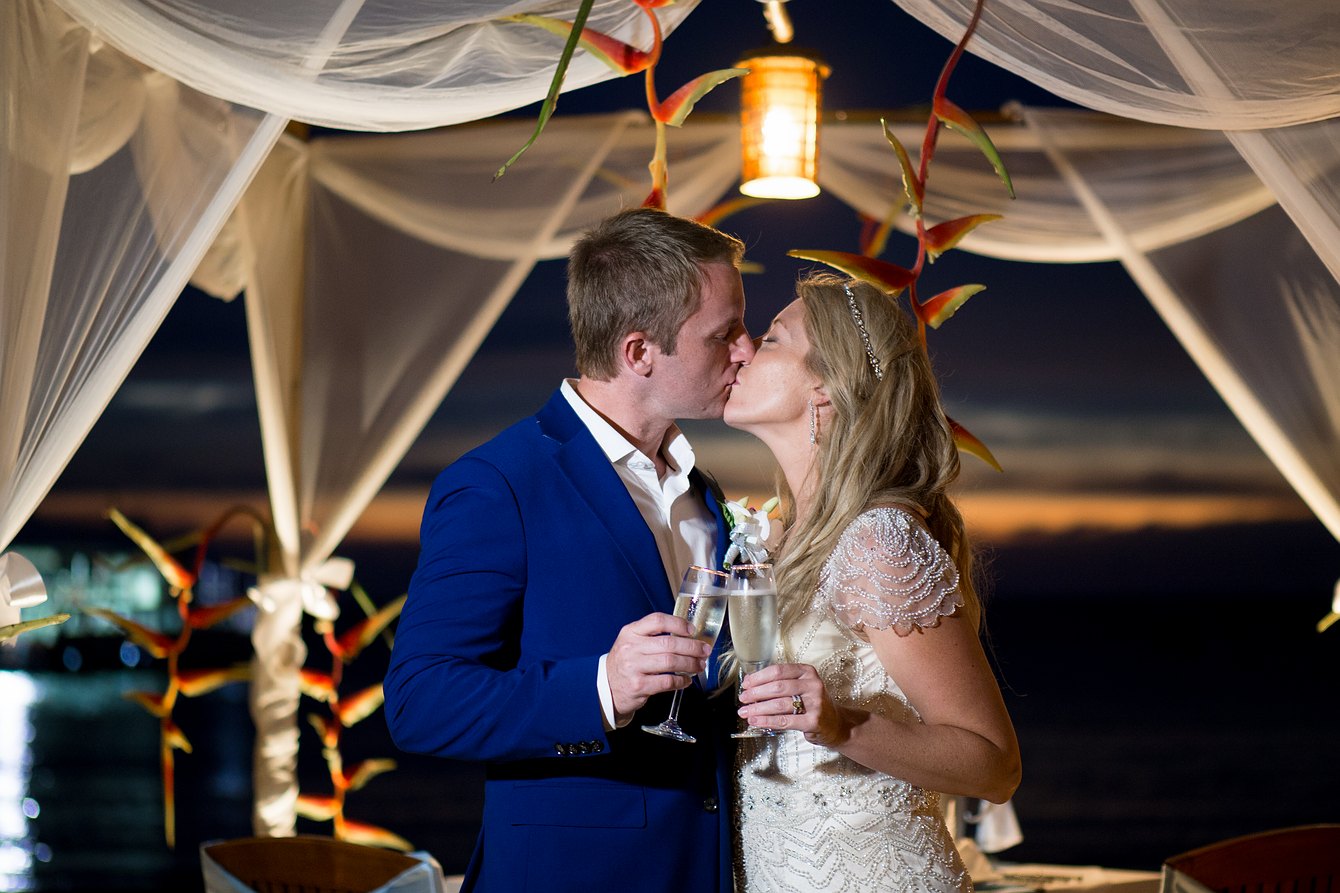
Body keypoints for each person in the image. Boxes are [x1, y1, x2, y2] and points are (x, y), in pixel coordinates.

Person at [383, 207, 755, 893]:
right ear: (639, 352)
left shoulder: (704, 492)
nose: (746, 351)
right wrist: (600, 688)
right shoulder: (499, 483)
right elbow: (419, 700)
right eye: (724, 333)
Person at [722, 272, 1022, 892]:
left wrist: (840, 724)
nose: (745, 349)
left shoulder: (877, 541)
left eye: (772, 339)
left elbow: (995, 765)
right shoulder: (774, 537)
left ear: (826, 390)